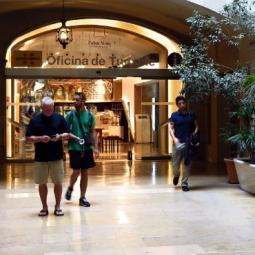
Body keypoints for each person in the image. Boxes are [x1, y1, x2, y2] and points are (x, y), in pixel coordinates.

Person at [26, 96, 70, 216]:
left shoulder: (59, 118)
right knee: (42, 183)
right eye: (46, 109)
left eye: (50, 109)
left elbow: (67, 134)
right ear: (42, 108)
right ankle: (44, 207)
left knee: (58, 182)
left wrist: (60, 137)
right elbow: (29, 138)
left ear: (53, 107)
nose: (49, 111)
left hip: (56, 156)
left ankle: (58, 207)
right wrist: (40, 138)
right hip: (41, 157)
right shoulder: (35, 120)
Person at [65, 92, 99, 207]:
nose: (74, 102)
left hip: (87, 147)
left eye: (77, 100)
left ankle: (82, 197)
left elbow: (93, 132)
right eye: (74, 99)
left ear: (83, 101)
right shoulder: (70, 115)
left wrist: (96, 148)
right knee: (76, 171)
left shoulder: (90, 116)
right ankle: (70, 186)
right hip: (74, 147)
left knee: (85, 172)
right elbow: (65, 131)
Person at [169, 96, 199, 192]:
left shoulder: (191, 114)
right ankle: (176, 175)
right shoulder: (174, 115)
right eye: (180, 103)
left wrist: (194, 133)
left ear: (185, 103)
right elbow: (170, 128)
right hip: (178, 143)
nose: (182, 105)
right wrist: (174, 138)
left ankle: (184, 183)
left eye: (183, 103)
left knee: (187, 164)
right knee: (175, 165)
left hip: (188, 143)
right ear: (177, 105)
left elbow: (197, 126)